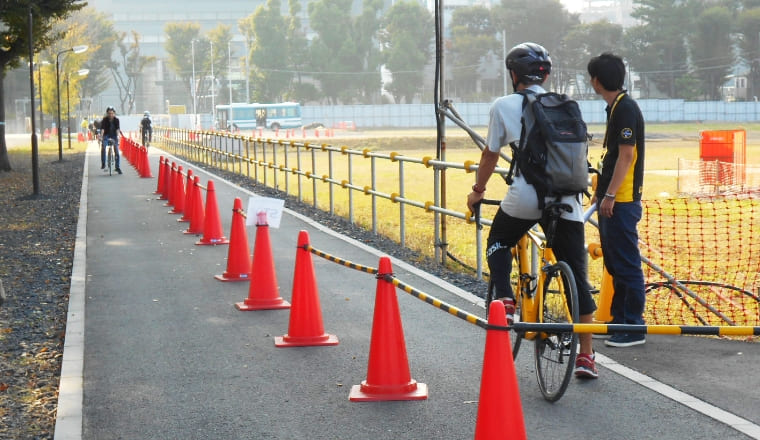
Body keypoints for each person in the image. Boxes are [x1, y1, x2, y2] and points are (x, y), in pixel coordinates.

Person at [466, 42, 598, 378]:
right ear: (547, 74)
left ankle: (507, 298)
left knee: (498, 239)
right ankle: (586, 357)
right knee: (577, 280)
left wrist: (477, 191)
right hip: (568, 199)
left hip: (525, 196)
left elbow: (490, 155)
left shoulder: (503, 106)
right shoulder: (567, 105)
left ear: (513, 75)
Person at [587, 53, 647, 348]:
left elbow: (627, 155)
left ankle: (633, 326)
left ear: (597, 81)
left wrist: (610, 194)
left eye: (591, 77)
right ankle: (619, 320)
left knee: (626, 262)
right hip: (611, 197)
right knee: (614, 261)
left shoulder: (625, 109)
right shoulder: (615, 108)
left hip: (621, 200)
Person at [100, 106, 124, 174]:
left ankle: (117, 167)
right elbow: (102, 129)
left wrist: (118, 136)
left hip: (114, 136)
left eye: (112, 113)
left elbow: (117, 129)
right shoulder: (104, 120)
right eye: (109, 113)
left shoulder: (116, 120)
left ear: (114, 113)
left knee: (116, 149)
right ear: (107, 113)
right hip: (106, 135)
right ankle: (103, 163)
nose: (110, 115)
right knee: (103, 147)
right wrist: (101, 136)